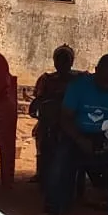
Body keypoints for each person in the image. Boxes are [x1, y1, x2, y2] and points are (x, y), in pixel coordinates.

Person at [42, 52, 108, 215]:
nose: (107, 85)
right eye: (104, 79)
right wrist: (80, 139)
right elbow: (65, 117)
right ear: (96, 70)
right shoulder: (79, 86)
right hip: (77, 133)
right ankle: (53, 208)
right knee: (60, 159)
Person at [30, 44, 77, 181]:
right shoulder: (46, 79)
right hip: (50, 119)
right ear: (54, 61)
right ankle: (40, 171)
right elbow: (37, 101)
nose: (62, 63)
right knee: (41, 133)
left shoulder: (79, 80)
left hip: (72, 119)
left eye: (65, 60)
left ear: (71, 61)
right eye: (59, 59)